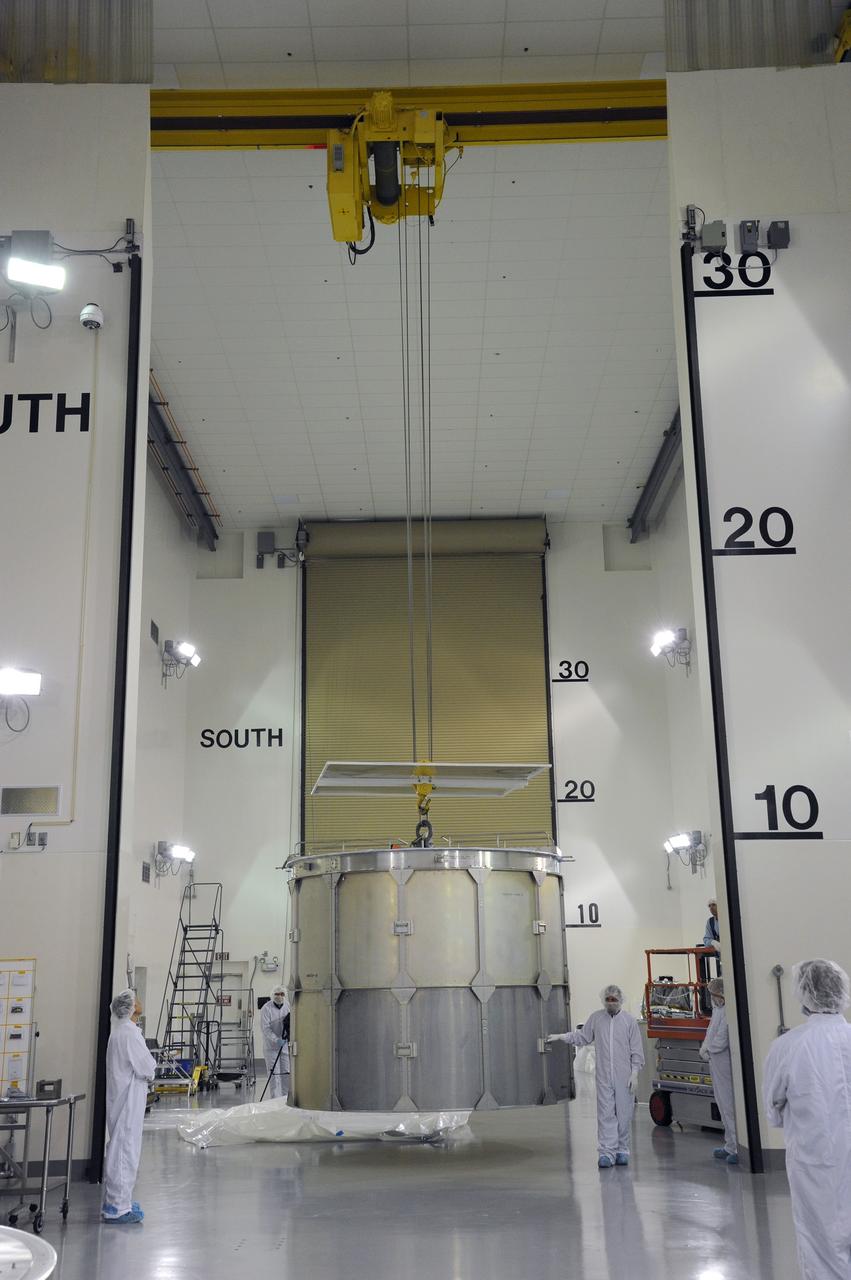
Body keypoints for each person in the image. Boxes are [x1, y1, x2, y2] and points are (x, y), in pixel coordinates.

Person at [764, 958, 851, 1280]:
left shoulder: (788, 1047)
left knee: (821, 1243)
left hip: (816, 1162)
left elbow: (772, 1109)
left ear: (803, 994)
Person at [547, 984, 644, 1168]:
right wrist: (562, 1037)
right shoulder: (597, 1018)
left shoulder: (629, 1021)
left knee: (623, 1113)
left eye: (614, 999)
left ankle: (622, 1149)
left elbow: (636, 1049)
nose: (610, 1003)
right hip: (604, 1075)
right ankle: (607, 1152)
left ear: (620, 1000)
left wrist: (635, 1073)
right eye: (608, 999)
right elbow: (582, 1037)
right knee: (605, 1113)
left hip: (625, 1076)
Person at [102, 989, 156, 1225]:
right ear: (130, 1007)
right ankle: (117, 1208)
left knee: (121, 1149)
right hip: (128, 1101)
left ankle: (118, 1201)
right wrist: (152, 1067)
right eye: (136, 999)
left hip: (124, 1098)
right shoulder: (129, 1033)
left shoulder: (121, 1032)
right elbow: (146, 1066)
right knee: (125, 1152)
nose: (140, 1001)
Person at [699, 976, 737, 1164]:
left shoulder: (729, 1010)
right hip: (715, 1060)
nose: (712, 998)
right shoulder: (718, 1010)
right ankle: (729, 1144)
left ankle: (738, 1147)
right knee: (722, 1104)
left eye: (714, 994)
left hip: (723, 1061)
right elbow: (711, 1031)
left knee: (729, 1105)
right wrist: (705, 1047)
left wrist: (710, 1049)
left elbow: (722, 1038)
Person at [260, 985, 291, 1100]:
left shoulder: (288, 1006)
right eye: (277, 994)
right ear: (272, 995)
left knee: (286, 1073)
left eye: (282, 994)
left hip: (285, 1046)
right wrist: (276, 1040)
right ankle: (275, 1100)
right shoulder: (266, 1008)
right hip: (271, 1047)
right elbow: (265, 1028)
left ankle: (286, 1098)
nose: (279, 996)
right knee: (274, 1075)